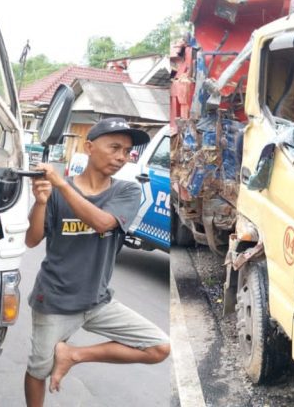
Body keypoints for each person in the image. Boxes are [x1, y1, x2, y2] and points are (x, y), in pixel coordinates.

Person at [24, 117, 170, 406]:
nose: (120, 157)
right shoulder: (56, 192)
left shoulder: (126, 191)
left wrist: (63, 187)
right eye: (114, 147)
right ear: (89, 147)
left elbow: (103, 223)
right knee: (38, 370)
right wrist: (41, 202)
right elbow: (32, 240)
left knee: (159, 347)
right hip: (53, 300)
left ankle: (72, 354)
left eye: (126, 151)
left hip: (98, 301)